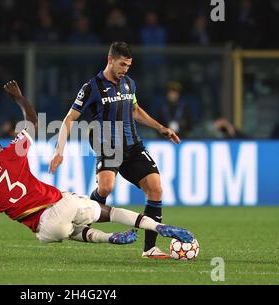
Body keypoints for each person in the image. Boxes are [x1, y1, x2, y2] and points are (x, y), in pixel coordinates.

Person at [0, 81, 194, 260]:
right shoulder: (9, 155)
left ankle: (109, 239)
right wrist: (19, 97)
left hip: (45, 232)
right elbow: (32, 120)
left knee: (71, 230)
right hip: (59, 205)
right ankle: (156, 227)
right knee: (109, 211)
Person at [49, 42, 181, 259]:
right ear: (110, 60)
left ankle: (150, 249)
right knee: (105, 189)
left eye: (128, 66)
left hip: (133, 146)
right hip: (108, 145)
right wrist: (59, 150)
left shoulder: (129, 83)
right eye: (122, 65)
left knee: (156, 189)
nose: (125, 70)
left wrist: (161, 128)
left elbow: (135, 109)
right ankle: (84, 224)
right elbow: (69, 118)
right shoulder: (91, 87)